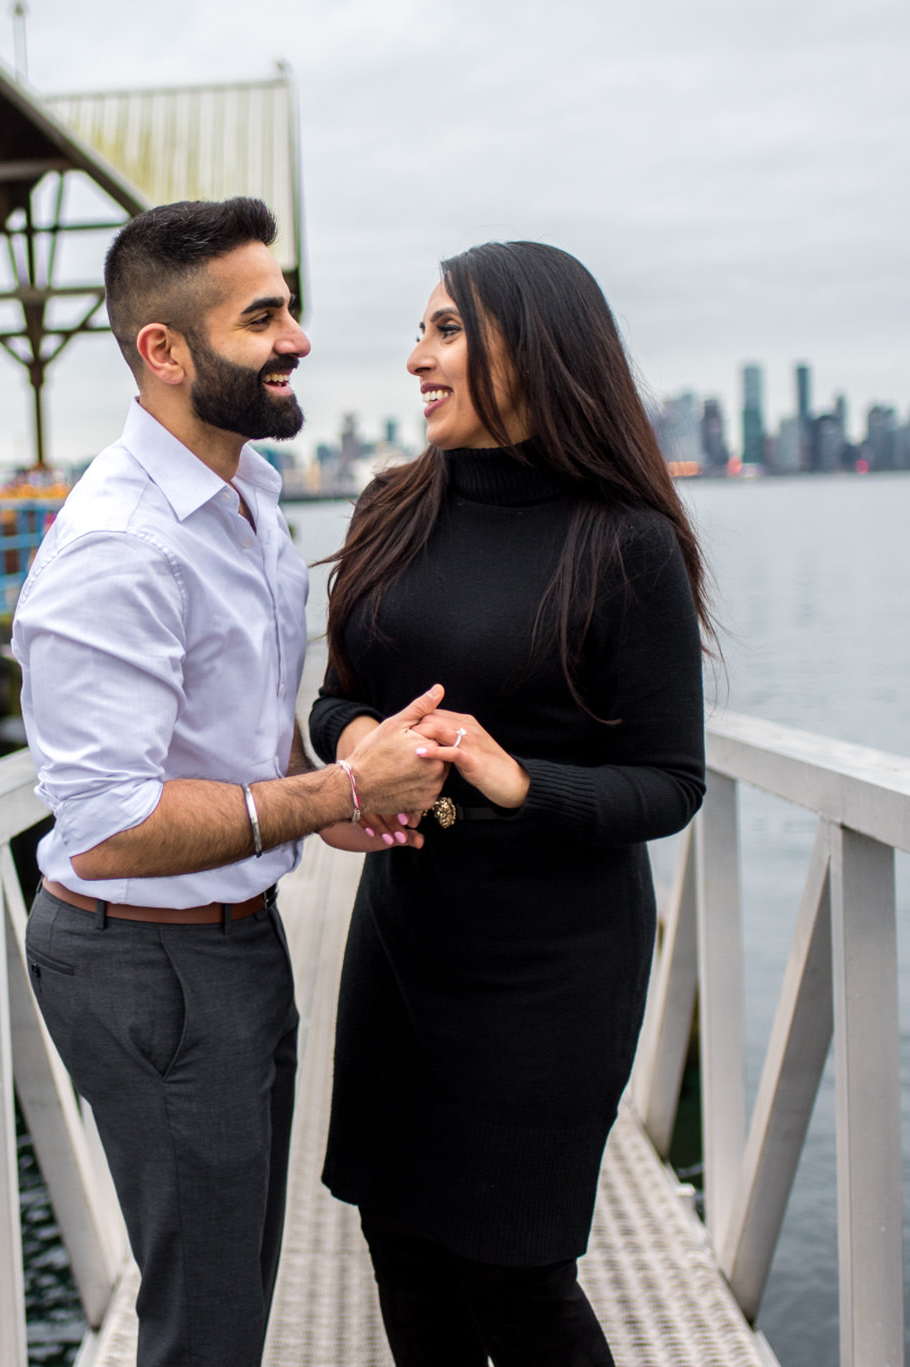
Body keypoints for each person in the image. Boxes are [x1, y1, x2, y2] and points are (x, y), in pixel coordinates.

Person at [11, 197, 449, 1367]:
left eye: (289, 305)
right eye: (262, 316)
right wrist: (338, 793)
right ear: (162, 351)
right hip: (143, 956)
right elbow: (105, 825)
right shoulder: (123, 544)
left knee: (229, 1302)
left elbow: (212, 745)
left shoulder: (244, 500)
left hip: (227, 934)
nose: (297, 337)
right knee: (203, 1328)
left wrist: (319, 783)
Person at [308, 241, 715, 1367]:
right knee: (399, 1238)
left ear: (529, 351)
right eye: (421, 330)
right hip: (402, 938)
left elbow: (668, 782)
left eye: (444, 330)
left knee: (516, 1270)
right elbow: (334, 696)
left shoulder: (622, 541)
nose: (413, 358)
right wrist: (355, 742)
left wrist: (519, 777)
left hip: (549, 967)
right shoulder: (391, 506)